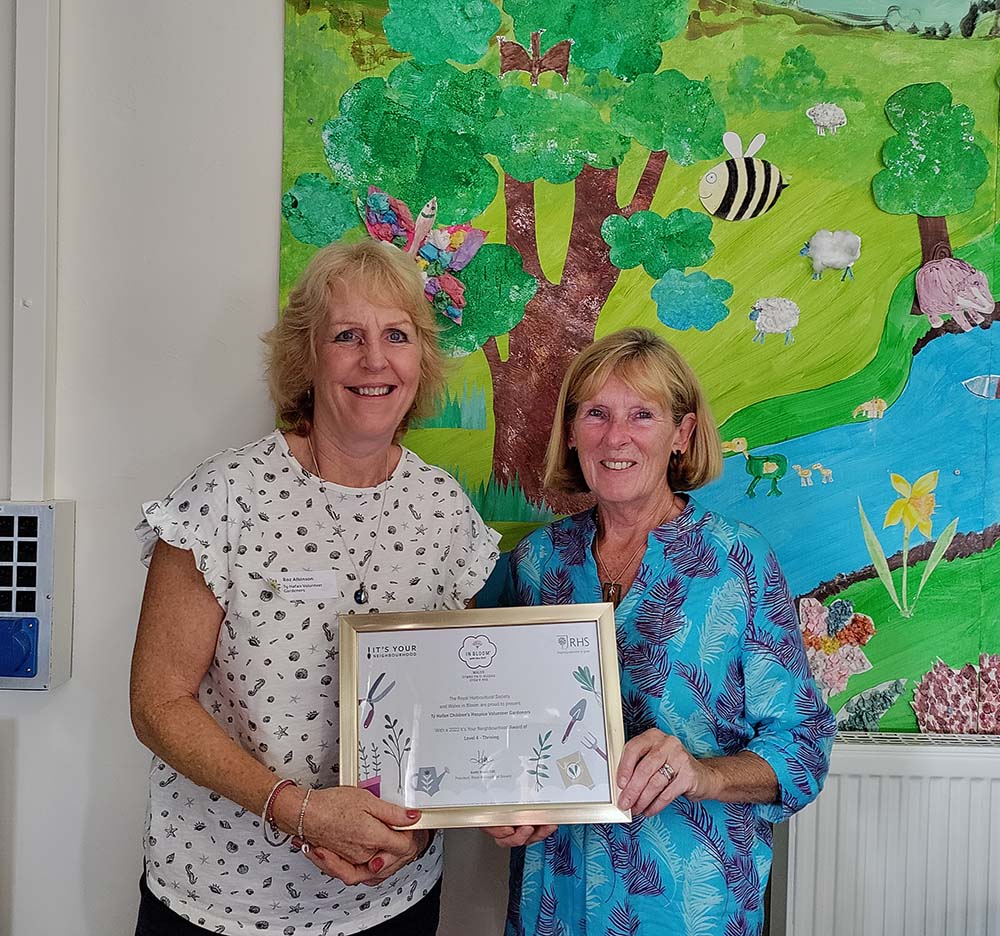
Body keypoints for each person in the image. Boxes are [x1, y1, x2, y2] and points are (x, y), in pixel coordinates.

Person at [130, 239, 500, 936]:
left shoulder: (445, 511)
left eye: (396, 335)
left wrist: (416, 832)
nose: (374, 360)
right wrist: (298, 808)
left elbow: (459, 709)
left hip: (392, 903)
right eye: (346, 336)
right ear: (307, 358)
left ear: (421, 359)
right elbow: (156, 704)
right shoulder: (225, 497)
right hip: (223, 902)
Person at [487, 328, 835, 936]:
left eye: (642, 415)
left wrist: (705, 773)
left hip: (690, 904)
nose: (615, 437)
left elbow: (804, 746)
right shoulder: (538, 563)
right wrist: (504, 796)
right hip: (557, 903)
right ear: (571, 433)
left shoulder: (739, 561)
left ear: (682, 434)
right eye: (596, 413)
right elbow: (506, 721)